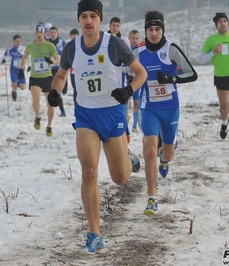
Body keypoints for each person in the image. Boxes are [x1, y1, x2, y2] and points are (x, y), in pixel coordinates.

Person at [48, 0, 147, 254]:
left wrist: (128, 90)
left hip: (113, 115)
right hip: (86, 117)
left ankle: (126, 154)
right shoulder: (71, 48)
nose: (88, 21)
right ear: (79, 20)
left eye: (93, 16)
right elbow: (60, 76)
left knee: (120, 178)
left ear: (100, 19)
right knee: (89, 171)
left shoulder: (114, 44)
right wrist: (54, 93)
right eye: (84, 16)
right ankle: (95, 233)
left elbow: (141, 73)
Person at [130, 11, 197, 215]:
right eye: (150, 29)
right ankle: (152, 198)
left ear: (162, 30)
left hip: (170, 108)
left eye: (157, 29)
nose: (153, 33)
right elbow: (124, 72)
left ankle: (165, 157)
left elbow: (191, 74)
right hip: (148, 108)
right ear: (145, 31)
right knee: (149, 150)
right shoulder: (138, 52)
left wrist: (171, 79)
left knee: (167, 153)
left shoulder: (171, 49)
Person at [199, 12, 229, 150]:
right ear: (216, 25)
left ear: (228, 23)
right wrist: (213, 52)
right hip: (220, 76)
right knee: (224, 107)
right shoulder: (211, 40)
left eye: (225, 21)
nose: (223, 23)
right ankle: (225, 122)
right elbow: (201, 59)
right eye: (220, 21)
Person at [19, 23, 59, 137]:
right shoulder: (30, 46)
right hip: (35, 78)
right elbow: (25, 57)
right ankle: (37, 116)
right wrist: (20, 70)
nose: (39, 35)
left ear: (44, 34)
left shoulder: (50, 46)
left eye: (41, 33)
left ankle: (49, 126)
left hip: (47, 77)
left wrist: (51, 62)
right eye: (37, 33)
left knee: (50, 104)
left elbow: (58, 59)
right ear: (34, 34)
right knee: (36, 100)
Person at [107, 17, 132, 125]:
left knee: (122, 94)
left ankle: (125, 117)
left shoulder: (125, 40)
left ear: (120, 27)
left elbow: (129, 56)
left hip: (121, 72)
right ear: (110, 26)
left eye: (117, 26)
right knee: (109, 94)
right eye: (113, 26)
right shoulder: (105, 38)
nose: (115, 28)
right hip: (108, 72)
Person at [0, 34, 29, 101]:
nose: (18, 43)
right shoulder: (10, 50)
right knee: (15, 84)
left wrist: (29, 66)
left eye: (19, 41)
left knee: (23, 87)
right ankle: (14, 91)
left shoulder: (24, 49)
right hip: (13, 69)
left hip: (21, 69)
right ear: (13, 41)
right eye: (17, 41)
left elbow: (28, 57)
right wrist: (3, 60)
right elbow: (3, 57)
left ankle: (14, 85)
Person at [48, 26, 67, 117]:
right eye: (51, 32)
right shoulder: (46, 43)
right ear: (48, 34)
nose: (52, 34)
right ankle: (62, 111)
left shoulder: (62, 42)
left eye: (54, 32)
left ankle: (65, 82)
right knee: (55, 91)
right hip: (50, 70)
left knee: (62, 90)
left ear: (57, 33)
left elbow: (67, 53)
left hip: (60, 69)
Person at [127, 29, 140, 132]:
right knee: (125, 105)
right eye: (133, 38)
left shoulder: (140, 51)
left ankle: (135, 126)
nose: (135, 40)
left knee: (137, 104)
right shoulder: (125, 50)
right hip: (126, 80)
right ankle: (125, 126)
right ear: (129, 38)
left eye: (137, 38)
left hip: (136, 80)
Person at [69, 28, 79, 106]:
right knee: (75, 90)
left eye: (75, 38)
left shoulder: (83, 46)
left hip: (81, 72)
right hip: (73, 72)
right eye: (72, 38)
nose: (73, 40)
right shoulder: (69, 48)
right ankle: (76, 107)